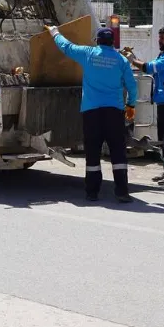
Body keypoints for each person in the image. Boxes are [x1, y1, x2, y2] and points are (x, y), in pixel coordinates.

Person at [48, 25, 137, 203]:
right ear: (112, 42)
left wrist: (55, 32)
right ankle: (122, 191)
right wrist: (131, 105)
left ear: (97, 41)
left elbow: (67, 47)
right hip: (114, 112)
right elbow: (132, 86)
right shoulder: (121, 60)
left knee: (93, 151)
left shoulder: (88, 53)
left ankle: (92, 192)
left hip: (91, 112)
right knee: (118, 152)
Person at [128, 25, 164, 185]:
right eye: (159, 38)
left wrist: (132, 60)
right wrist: (135, 59)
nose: (159, 41)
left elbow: (151, 67)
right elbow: (151, 66)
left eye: (163, 38)